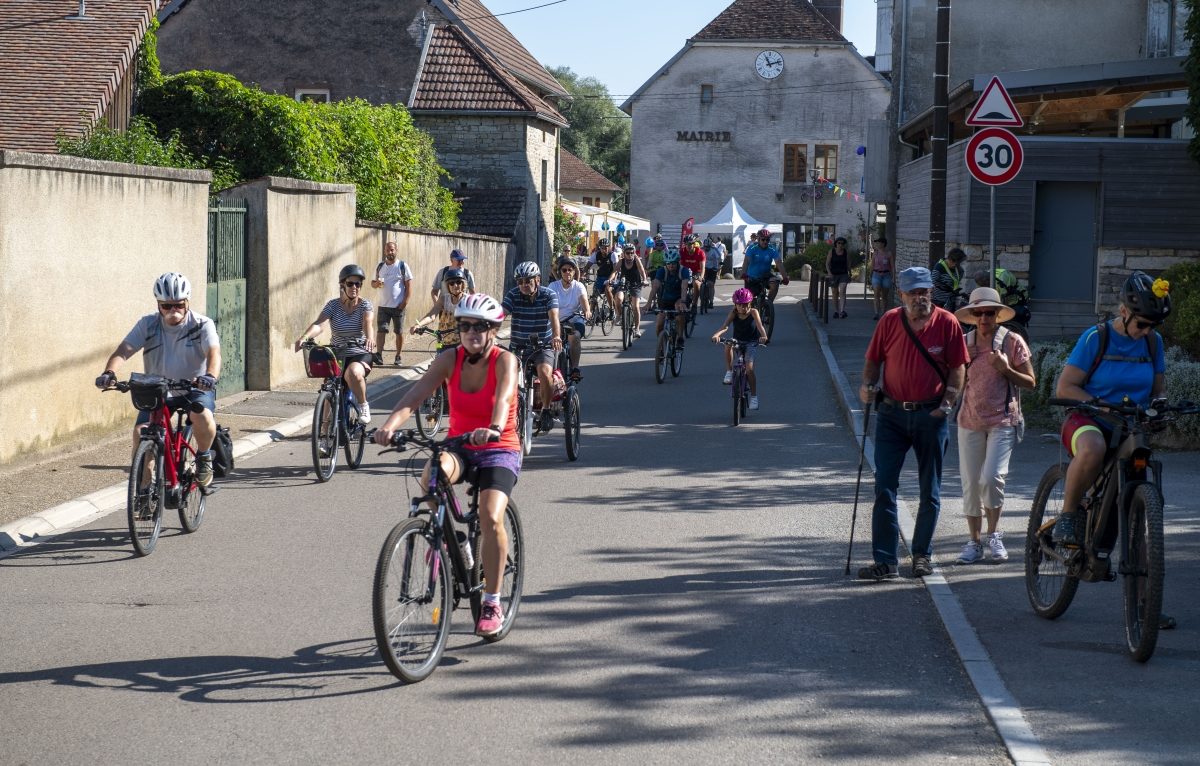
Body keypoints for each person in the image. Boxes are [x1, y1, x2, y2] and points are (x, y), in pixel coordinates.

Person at [373, 293, 518, 638]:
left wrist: (494, 427)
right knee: (430, 475)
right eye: (465, 326)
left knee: (491, 514)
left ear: (493, 330)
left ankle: (492, 602)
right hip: (460, 446)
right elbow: (415, 395)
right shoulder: (448, 359)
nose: (472, 333)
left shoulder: (504, 360)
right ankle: (447, 540)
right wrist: (390, 426)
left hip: (499, 446)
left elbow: (504, 397)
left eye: (480, 327)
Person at [1054, 271, 1176, 629]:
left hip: (1130, 426)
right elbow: (1067, 385)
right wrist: (1099, 405)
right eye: (1141, 323)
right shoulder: (1097, 337)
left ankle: (1146, 603)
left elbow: (1158, 387)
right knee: (1091, 448)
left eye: (1153, 325)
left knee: (1137, 519)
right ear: (1123, 311)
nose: (1146, 331)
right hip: (1087, 418)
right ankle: (1069, 517)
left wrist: (1163, 405)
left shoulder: (1152, 343)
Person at [857, 266, 968, 581]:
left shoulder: (947, 323)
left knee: (929, 490)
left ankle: (921, 555)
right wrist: (867, 385)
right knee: (884, 487)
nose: (920, 298)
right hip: (891, 414)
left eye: (925, 292)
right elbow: (873, 360)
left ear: (931, 292)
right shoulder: (890, 321)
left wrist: (947, 405)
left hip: (930, 416)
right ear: (901, 294)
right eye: (914, 292)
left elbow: (958, 367)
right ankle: (885, 560)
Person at [95, 272, 222, 487]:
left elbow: (213, 353)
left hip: (194, 387)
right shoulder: (148, 324)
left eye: (179, 305)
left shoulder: (202, 324)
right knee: (141, 433)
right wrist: (109, 373)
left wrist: (209, 376)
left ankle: (203, 457)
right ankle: (144, 490)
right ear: (158, 305)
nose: (173, 310)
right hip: (157, 389)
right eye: (166, 306)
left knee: (201, 415)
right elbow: (123, 351)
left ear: (187, 302)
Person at [952, 288, 1036, 565]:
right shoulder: (964, 343)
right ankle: (974, 542)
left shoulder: (1012, 341)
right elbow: (956, 380)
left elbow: (1031, 382)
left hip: (1003, 420)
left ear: (998, 315)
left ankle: (994, 535)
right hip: (969, 420)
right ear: (973, 316)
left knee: (991, 478)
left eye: (990, 312)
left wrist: (1005, 368)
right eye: (979, 313)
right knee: (971, 484)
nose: (985, 317)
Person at [294, 264, 376, 423]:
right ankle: (324, 434)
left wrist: (370, 337)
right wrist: (304, 337)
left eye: (358, 284)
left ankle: (363, 405)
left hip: (359, 352)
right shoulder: (333, 305)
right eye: (350, 283)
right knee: (328, 389)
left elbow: (368, 322)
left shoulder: (365, 305)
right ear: (342, 285)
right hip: (337, 353)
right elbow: (320, 324)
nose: (354, 287)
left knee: (353, 373)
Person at [502, 261, 562, 433]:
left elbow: (554, 317)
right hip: (518, 346)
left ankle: (546, 409)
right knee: (505, 377)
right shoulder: (513, 295)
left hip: (542, 346)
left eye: (527, 281)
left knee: (544, 372)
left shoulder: (548, 295)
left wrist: (556, 336)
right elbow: (501, 314)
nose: (523, 285)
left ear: (537, 279)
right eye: (520, 281)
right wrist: (488, 332)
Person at [711, 287, 769, 410]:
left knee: (749, 369)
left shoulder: (753, 312)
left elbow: (760, 326)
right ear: (735, 304)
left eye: (746, 305)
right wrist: (717, 335)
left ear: (750, 303)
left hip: (751, 342)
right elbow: (725, 326)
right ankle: (729, 372)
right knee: (727, 344)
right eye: (740, 305)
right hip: (737, 341)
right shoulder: (734, 313)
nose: (743, 308)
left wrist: (764, 336)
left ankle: (754, 397)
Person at [371, 240, 413, 366]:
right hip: (383, 305)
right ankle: (379, 355)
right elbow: (373, 283)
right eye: (388, 250)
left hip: (398, 306)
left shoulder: (402, 266)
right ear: (384, 251)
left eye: (392, 249)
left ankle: (398, 355)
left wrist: (404, 302)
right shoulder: (380, 267)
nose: (390, 252)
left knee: (399, 332)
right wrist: (376, 284)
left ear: (396, 251)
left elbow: (409, 286)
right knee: (381, 331)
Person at [548, 256, 590, 378]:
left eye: (570, 270)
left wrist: (587, 311)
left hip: (574, 320)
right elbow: (548, 304)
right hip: (557, 321)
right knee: (546, 340)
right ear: (560, 272)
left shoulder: (579, 286)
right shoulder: (553, 286)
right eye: (564, 270)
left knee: (574, 336)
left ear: (574, 271)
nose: (567, 272)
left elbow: (584, 302)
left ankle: (575, 367)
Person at [410, 267, 468, 350]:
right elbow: (431, 315)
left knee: (459, 361)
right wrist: (418, 325)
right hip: (442, 340)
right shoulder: (443, 299)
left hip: (461, 343)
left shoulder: (468, 301)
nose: (455, 285)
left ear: (463, 284)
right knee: (438, 358)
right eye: (451, 283)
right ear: (448, 286)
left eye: (458, 282)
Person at [650, 249, 691, 348]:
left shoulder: (683, 270)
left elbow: (684, 287)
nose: (670, 266)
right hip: (666, 299)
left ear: (677, 262)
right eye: (668, 263)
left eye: (673, 263)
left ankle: (680, 337)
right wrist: (648, 303)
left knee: (678, 311)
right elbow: (655, 287)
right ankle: (661, 348)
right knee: (659, 323)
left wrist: (683, 301)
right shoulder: (662, 271)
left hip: (679, 298)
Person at [742, 228, 790, 304]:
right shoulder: (752, 248)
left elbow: (779, 263)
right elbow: (746, 261)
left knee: (775, 282)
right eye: (763, 239)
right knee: (747, 301)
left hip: (766, 275)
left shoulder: (772, 249)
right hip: (752, 277)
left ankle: (768, 305)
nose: (765, 242)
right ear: (758, 239)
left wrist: (785, 277)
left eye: (767, 240)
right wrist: (744, 273)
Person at [613, 243, 648, 339]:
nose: (630, 254)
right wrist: (610, 280)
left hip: (635, 285)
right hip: (624, 284)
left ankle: (637, 329)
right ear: (624, 253)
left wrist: (644, 280)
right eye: (627, 253)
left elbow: (641, 270)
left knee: (635, 306)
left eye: (632, 252)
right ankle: (619, 315)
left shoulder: (636, 259)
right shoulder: (621, 261)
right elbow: (615, 271)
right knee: (618, 299)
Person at [586, 239, 619, 314]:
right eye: (602, 248)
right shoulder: (596, 254)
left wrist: (610, 280)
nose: (604, 250)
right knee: (594, 295)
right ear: (599, 248)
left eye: (606, 247)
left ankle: (611, 309)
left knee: (607, 290)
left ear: (609, 247)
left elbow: (615, 270)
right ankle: (592, 314)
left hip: (611, 277)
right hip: (600, 278)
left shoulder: (613, 255)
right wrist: (583, 274)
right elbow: (588, 265)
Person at [932, 247, 966, 311]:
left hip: (951, 300)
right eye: (953, 262)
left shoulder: (960, 270)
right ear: (950, 258)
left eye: (958, 263)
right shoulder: (939, 267)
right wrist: (945, 287)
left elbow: (956, 282)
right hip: (938, 301)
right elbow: (933, 281)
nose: (955, 265)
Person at [825, 236, 852, 318]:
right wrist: (829, 273)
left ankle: (842, 311)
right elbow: (827, 263)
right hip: (834, 274)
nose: (840, 245)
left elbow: (848, 264)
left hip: (843, 274)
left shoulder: (845, 252)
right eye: (839, 243)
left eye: (842, 243)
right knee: (834, 293)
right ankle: (836, 311)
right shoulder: (831, 252)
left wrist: (850, 273)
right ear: (836, 244)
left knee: (842, 291)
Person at [870, 236, 894, 320]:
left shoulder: (889, 254)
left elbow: (892, 266)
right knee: (876, 293)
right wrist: (870, 276)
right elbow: (872, 265)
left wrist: (893, 277)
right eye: (877, 243)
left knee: (884, 295)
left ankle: (884, 313)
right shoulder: (875, 253)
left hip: (886, 275)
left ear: (883, 244)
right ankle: (876, 313)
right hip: (876, 274)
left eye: (879, 242)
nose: (877, 244)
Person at [680, 233, 706, 306]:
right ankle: (683, 302)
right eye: (686, 244)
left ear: (694, 244)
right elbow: (680, 264)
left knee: (696, 284)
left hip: (696, 272)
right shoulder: (682, 251)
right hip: (686, 271)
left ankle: (694, 304)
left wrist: (701, 276)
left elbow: (702, 267)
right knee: (681, 283)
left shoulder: (700, 253)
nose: (688, 246)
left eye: (690, 244)